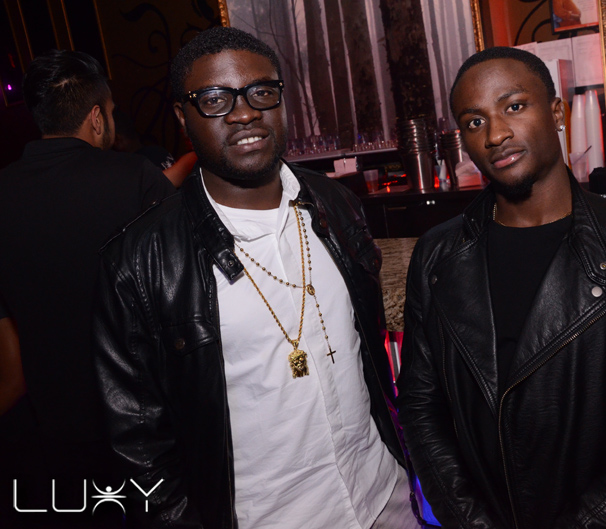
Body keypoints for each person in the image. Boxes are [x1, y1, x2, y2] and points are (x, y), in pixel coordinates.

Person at [93, 27, 418, 529]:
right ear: (182, 117)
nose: (244, 113)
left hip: (384, 498)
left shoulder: (335, 205)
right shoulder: (140, 261)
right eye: (214, 99)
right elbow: (138, 444)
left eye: (260, 92)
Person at [397, 46, 606, 528]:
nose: (496, 134)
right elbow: (421, 405)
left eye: (514, 106)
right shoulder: (437, 254)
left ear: (557, 113)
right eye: (475, 122)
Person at [0, 49, 175, 526]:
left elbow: (8, 347)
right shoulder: (135, 178)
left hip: (55, 437)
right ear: (96, 118)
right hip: (146, 427)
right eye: (112, 111)